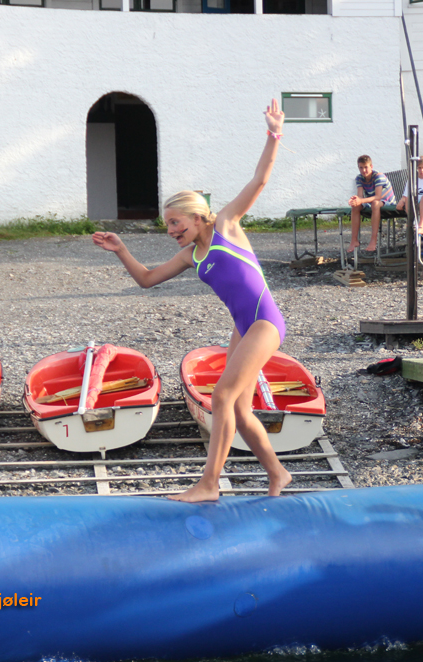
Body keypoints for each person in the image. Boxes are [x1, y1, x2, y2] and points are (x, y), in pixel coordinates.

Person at [92, 99, 292, 503]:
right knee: (239, 410)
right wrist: (121, 250)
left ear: (197, 217)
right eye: (167, 224)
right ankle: (278, 473)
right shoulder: (191, 255)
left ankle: (209, 484)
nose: (170, 230)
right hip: (243, 326)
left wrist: (274, 133)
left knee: (221, 396)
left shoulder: (227, 227)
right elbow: (147, 280)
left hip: (264, 322)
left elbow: (259, 180)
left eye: (175, 222)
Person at [347, 155, 394, 253]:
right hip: (372, 201)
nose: (364, 170)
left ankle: (373, 239)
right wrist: (355, 200)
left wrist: (361, 200)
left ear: (371, 166)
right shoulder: (359, 178)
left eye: (366, 167)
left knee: (375, 204)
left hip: (387, 202)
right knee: (355, 207)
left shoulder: (378, 176)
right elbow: (360, 197)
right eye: (361, 168)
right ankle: (354, 240)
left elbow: (378, 197)